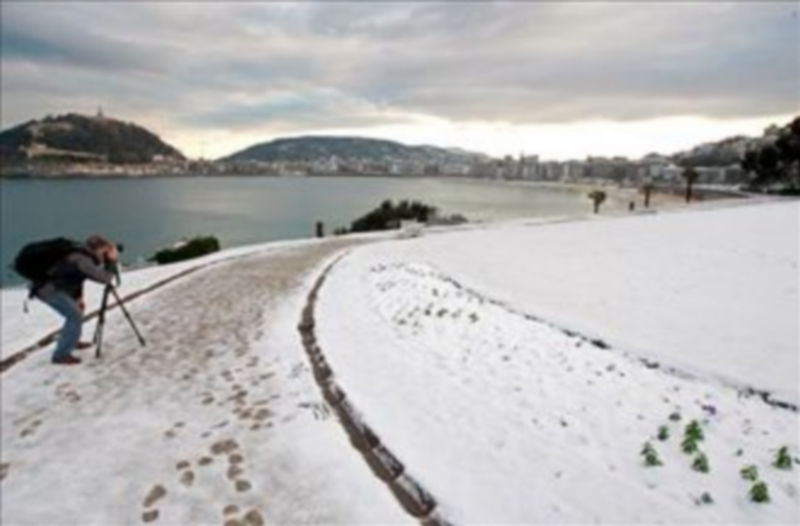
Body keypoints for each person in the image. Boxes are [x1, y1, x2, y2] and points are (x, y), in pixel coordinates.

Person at [35, 235, 118, 365]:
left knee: (78, 310)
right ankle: (60, 355)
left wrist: (78, 297)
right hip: (48, 290)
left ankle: (72, 341)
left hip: (57, 287)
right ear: (98, 249)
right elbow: (104, 278)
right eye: (104, 251)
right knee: (74, 316)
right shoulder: (82, 259)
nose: (104, 255)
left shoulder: (80, 253)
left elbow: (76, 277)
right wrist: (111, 261)